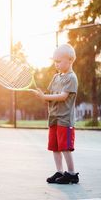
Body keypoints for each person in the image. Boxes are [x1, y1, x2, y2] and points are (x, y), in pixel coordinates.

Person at [32, 43, 79, 184]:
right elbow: (51, 95)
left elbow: (63, 96)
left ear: (70, 60)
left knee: (65, 147)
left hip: (65, 120)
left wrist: (45, 97)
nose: (56, 64)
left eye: (59, 61)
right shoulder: (56, 77)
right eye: (54, 61)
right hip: (53, 118)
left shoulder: (71, 78)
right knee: (55, 147)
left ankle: (71, 174)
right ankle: (59, 171)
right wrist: (42, 95)